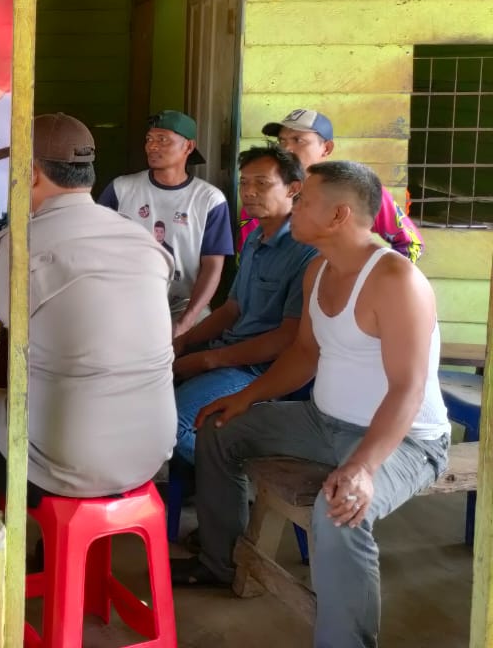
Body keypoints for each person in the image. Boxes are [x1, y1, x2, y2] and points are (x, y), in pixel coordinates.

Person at [173, 161, 449, 648]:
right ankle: (221, 562)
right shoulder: (319, 269)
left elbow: (407, 388)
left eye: (304, 201)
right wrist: (244, 398)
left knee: (340, 509)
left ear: (339, 214)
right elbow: (305, 353)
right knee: (217, 427)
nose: (294, 205)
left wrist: (363, 466)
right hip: (321, 422)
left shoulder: (395, 281)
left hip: (401, 441)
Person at [0, 114, 176, 500]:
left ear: (30, 174)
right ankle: (60, 557)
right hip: (151, 451)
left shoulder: (17, 247)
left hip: (68, 458)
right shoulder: (143, 241)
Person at [169, 146, 317, 465]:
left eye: (261, 184)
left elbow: (287, 337)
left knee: (172, 425)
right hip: (227, 352)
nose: (248, 192)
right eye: (244, 182)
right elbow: (231, 309)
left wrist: (209, 360)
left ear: (293, 188)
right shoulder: (254, 238)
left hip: (259, 370)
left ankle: (243, 477)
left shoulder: (307, 252)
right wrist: (184, 340)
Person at [99, 110, 233, 337]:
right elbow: (97, 248)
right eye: (149, 140)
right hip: (127, 301)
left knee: (193, 352)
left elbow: (213, 266)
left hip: (186, 304)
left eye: (163, 140)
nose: (152, 146)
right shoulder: (121, 189)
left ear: (188, 147)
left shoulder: (210, 200)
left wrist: (185, 323)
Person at [235, 109, 424, 262]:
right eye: (282, 141)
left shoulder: (356, 189)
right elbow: (246, 259)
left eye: (298, 140)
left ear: (326, 148)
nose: (286, 149)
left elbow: (411, 243)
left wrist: (375, 281)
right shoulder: (260, 195)